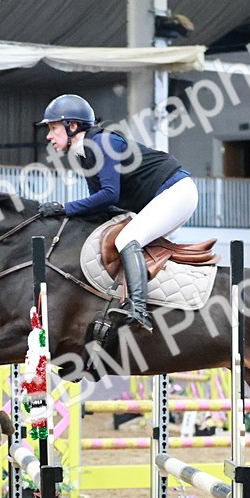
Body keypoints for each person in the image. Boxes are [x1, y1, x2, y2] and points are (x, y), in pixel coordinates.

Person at [37, 94, 198, 333]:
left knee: (126, 239)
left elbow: (110, 195)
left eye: (53, 128)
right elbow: (100, 204)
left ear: (72, 126)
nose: (49, 136)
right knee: (128, 239)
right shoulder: (85, 154)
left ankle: (139, 310)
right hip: (167, 196)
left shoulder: (102, 143)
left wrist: (65, 208)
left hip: (175, 191)